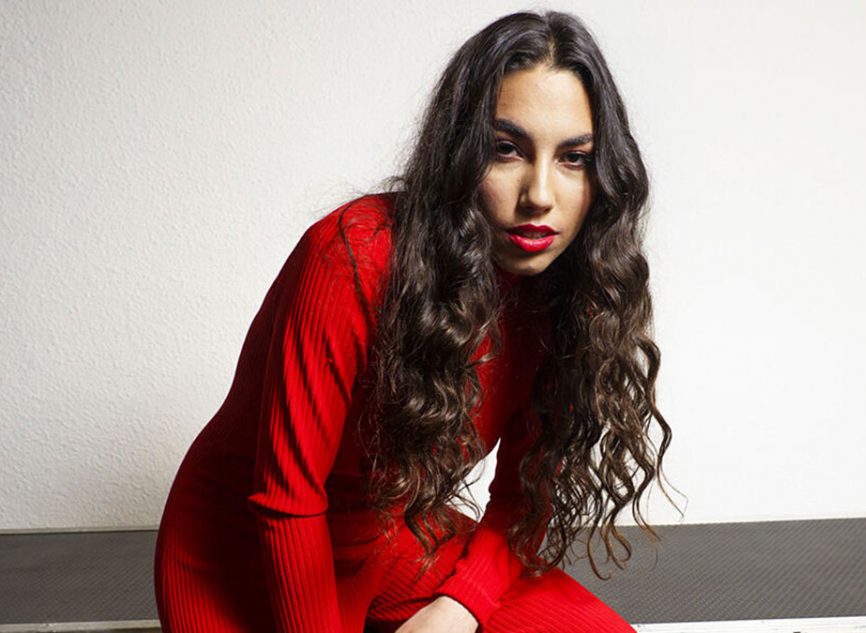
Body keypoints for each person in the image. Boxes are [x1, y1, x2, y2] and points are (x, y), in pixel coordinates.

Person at [154, 10, 672, 633]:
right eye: (506, 150)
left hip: (390, 544)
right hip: (239, 553)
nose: (539, 194)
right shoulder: (351, 255)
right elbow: (286, 500)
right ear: (460, 153)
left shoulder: (567, 291)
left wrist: (457, 609)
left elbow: (520, 497)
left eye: (574, 158)